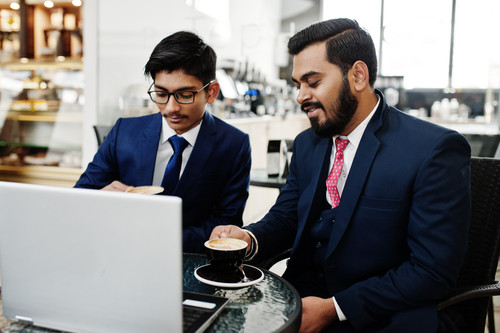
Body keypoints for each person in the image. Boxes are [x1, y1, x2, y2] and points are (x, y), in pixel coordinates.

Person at [210, 18, 471, 333]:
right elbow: (287, 217)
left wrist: (334, 309)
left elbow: (431, 272)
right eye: (298, 84)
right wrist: (248, 239)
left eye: (313, 81)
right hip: (300, 301)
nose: (300, 96)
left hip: (383, 315)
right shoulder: (308, 143)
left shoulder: (432, 150)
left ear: (358, 76)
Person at [75, 31, 251, 253]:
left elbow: (225, 226)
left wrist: (152, 238)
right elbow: (80, 196)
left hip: (189, 263)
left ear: (211, 92)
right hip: (119, 253)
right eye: (161, 93)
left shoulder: (234, 145)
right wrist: (101, 199)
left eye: (185, 95)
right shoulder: (124, 131)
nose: (171, 108)